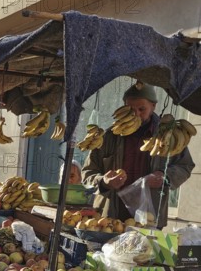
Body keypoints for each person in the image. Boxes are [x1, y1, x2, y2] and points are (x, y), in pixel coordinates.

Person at [82, 82, 195, 228]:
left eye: (142, 109)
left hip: (149, 216)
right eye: (130, 109)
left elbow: (185, 165)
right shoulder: (109, 136)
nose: (136, 114)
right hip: (110, 217)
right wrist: (103, 181)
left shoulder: (167, 136)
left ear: (153, 106)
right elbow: (87, 173)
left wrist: (164, 176)